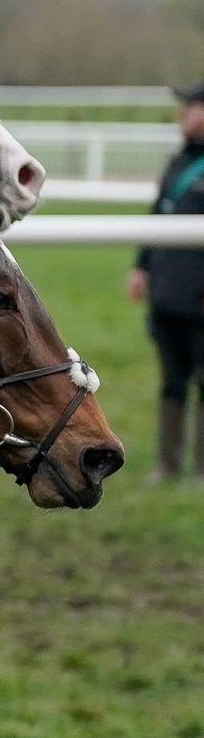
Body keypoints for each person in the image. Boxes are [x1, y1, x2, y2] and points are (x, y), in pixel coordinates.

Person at [127, 81, 204, 481]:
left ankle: (201, 470)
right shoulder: (178, 162)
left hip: (200, 298)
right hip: (168, 295)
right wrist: (142, 266)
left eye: (190, 108)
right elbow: (157, 215)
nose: (183, 116)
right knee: (171, 381)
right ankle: (168, 465)